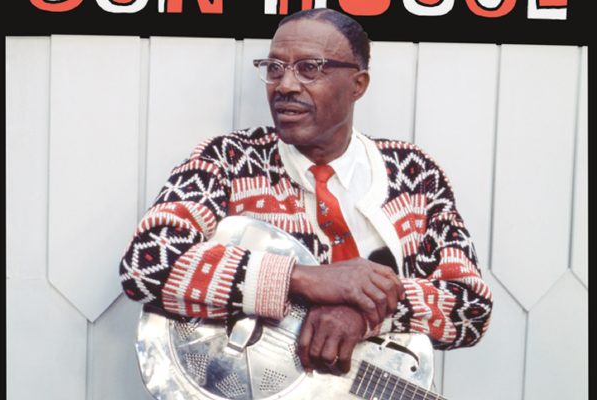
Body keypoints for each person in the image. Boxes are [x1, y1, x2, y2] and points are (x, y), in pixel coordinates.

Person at [119, 8, 492, 375]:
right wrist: (304, 279)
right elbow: (147, 264)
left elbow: (471, 307)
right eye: (274, 68)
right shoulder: (229, 160)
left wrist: (363, 314)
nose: (285, 85)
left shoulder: (414, 174)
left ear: (358, 85)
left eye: (310, 68)